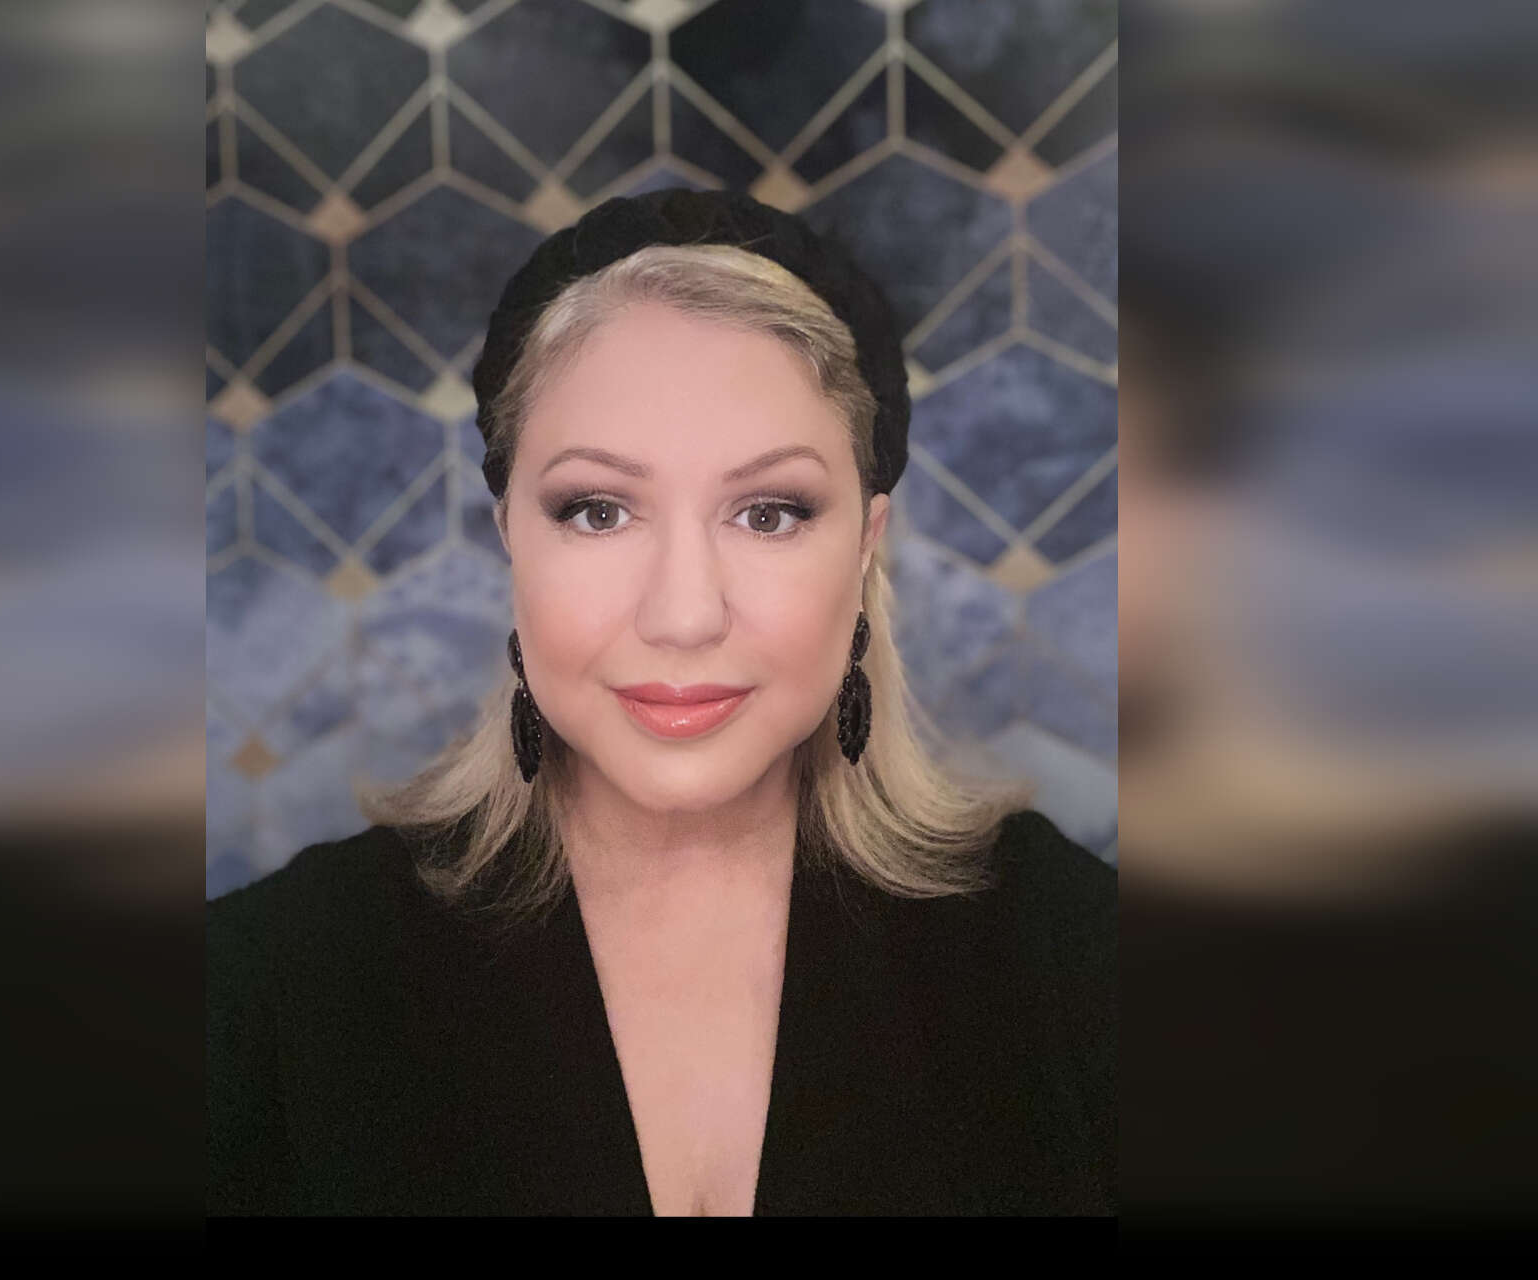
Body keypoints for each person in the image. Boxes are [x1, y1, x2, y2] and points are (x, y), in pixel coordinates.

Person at [207, 189, 1116, 1217]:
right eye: (597, 511)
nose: (684, 615)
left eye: (768, 513)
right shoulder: (270, 984)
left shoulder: (1070, 953)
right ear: (512, 537)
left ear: (864, 546)